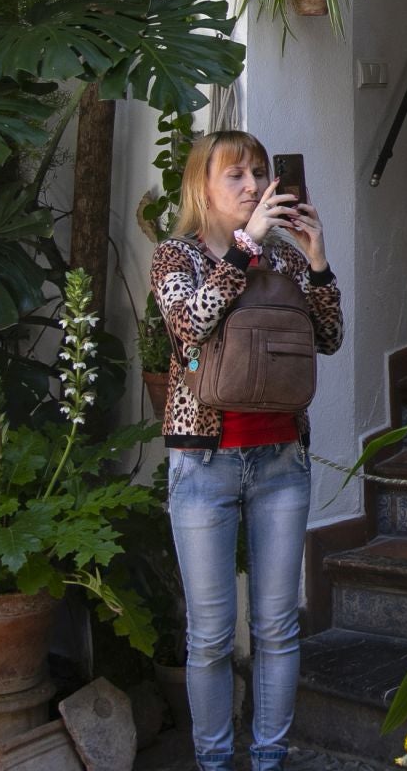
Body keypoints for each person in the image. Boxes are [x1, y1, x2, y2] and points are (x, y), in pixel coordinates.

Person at [150, 130, 343, 771]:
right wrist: (245, 249)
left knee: (277, 628)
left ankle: (268, 760)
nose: (254, 186)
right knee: (208, 637)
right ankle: (212, 762)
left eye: (259, 173)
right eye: (235, 175)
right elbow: (187, 329)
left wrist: (316, 262)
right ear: (201, 186)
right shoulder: (177, 257)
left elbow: (331, 337)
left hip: (282, 463)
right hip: (203, 463)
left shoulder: (285, 260)